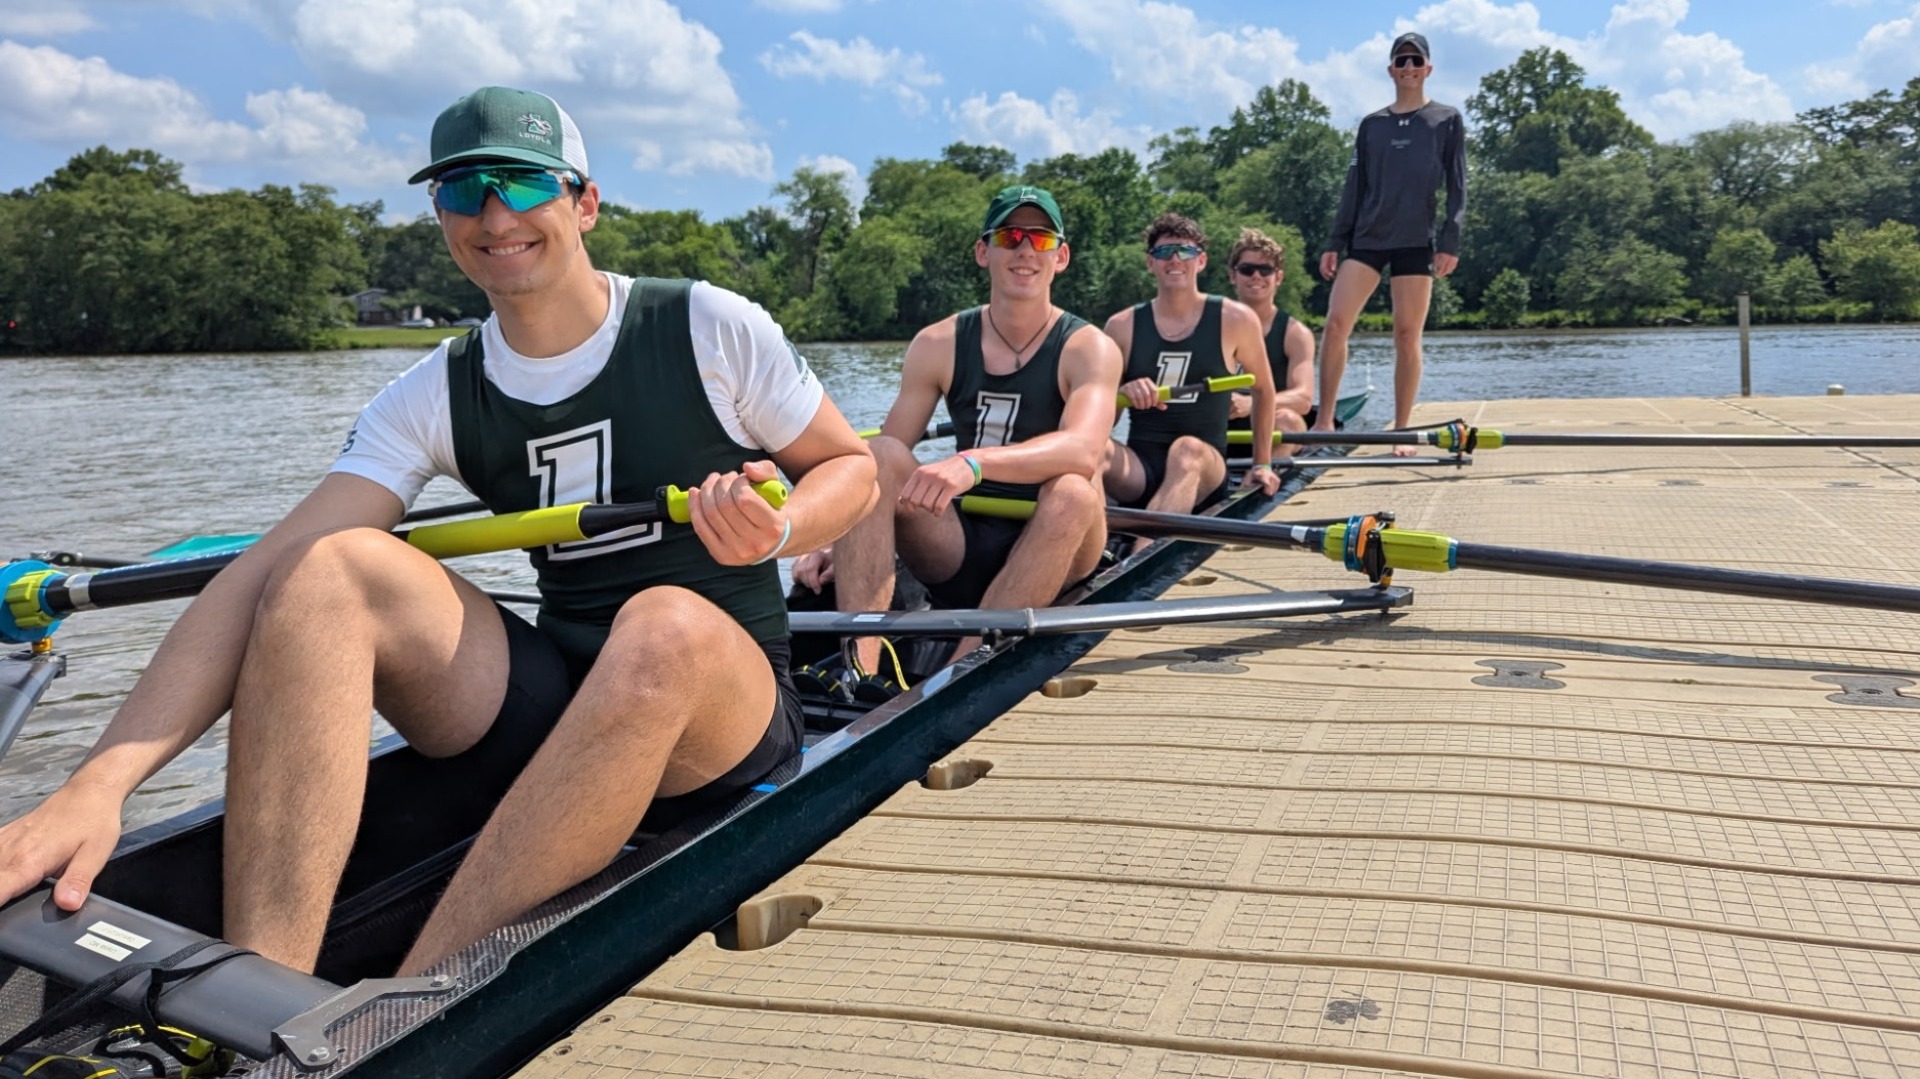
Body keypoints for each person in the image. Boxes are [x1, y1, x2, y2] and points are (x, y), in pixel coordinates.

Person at [0, 86, 877, 977]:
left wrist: (783, 526)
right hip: (557, 697)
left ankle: (411, 998)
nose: (496, 216)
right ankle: (261, 989)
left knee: (662, 622)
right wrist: (96, 785)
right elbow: (261, 571)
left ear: (584, 203)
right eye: (463, 191)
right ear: (440, 217)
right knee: (329, 569)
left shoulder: (706, 325)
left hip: (724, 717)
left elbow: (852, 466)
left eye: (523, 184)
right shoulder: (432, 391)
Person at [790, 185, 1120, 687]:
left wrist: (973, 463)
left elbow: (1083, 449)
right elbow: (879, 464)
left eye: (1040, 239)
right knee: (879, 453)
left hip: (1059, 538)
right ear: (984, 252)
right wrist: (836, 536)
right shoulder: (937, 343)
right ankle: (860, 671)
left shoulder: (1089, 347)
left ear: (1061, 256)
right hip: (960, 543)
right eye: (1010, 237)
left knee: (1074, 489)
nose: (1025, 250)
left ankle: (955, 676)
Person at [1314, 31, 1467, 456]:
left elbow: (1458, 187)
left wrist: (1451, 240)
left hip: (1417, 241)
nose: (1409, 67)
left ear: (1428, 68)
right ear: (1391, 70)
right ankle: (1324, 421)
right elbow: (1354, 186)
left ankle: (1401, 429)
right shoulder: (1372, 125)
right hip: (1367, 238)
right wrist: (1335, 240)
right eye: (1402, 60)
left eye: (1416, 60)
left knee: (1406, 334)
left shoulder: (1446, 119)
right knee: (1335, 324)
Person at [1103, 212, 1279, 535]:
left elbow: (1263, 390)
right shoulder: (1121, 326)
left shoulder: (1236, 319)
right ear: (1151, 263)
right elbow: (1101, 417)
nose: (1174, 260)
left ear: (1201, 261)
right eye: (1163, 252)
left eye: (1184, 251)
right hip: (1140, 468)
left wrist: (1262, 464)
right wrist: (1122, 394)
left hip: (1204, 465)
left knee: (1187, 449)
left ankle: (1140, 553)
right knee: (1091, 449)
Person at [1222, 227, 1316, 436]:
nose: (1256, 276)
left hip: (1272, 427)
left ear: (1278, 277)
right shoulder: (1209, 325)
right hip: (1220, 430)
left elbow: (1303, 399)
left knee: (1289, 420)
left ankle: (1269, 459)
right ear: (1233, 276)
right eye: (1247, 269)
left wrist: (1251, 403)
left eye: (1265, 270)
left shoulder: (1296, 334)